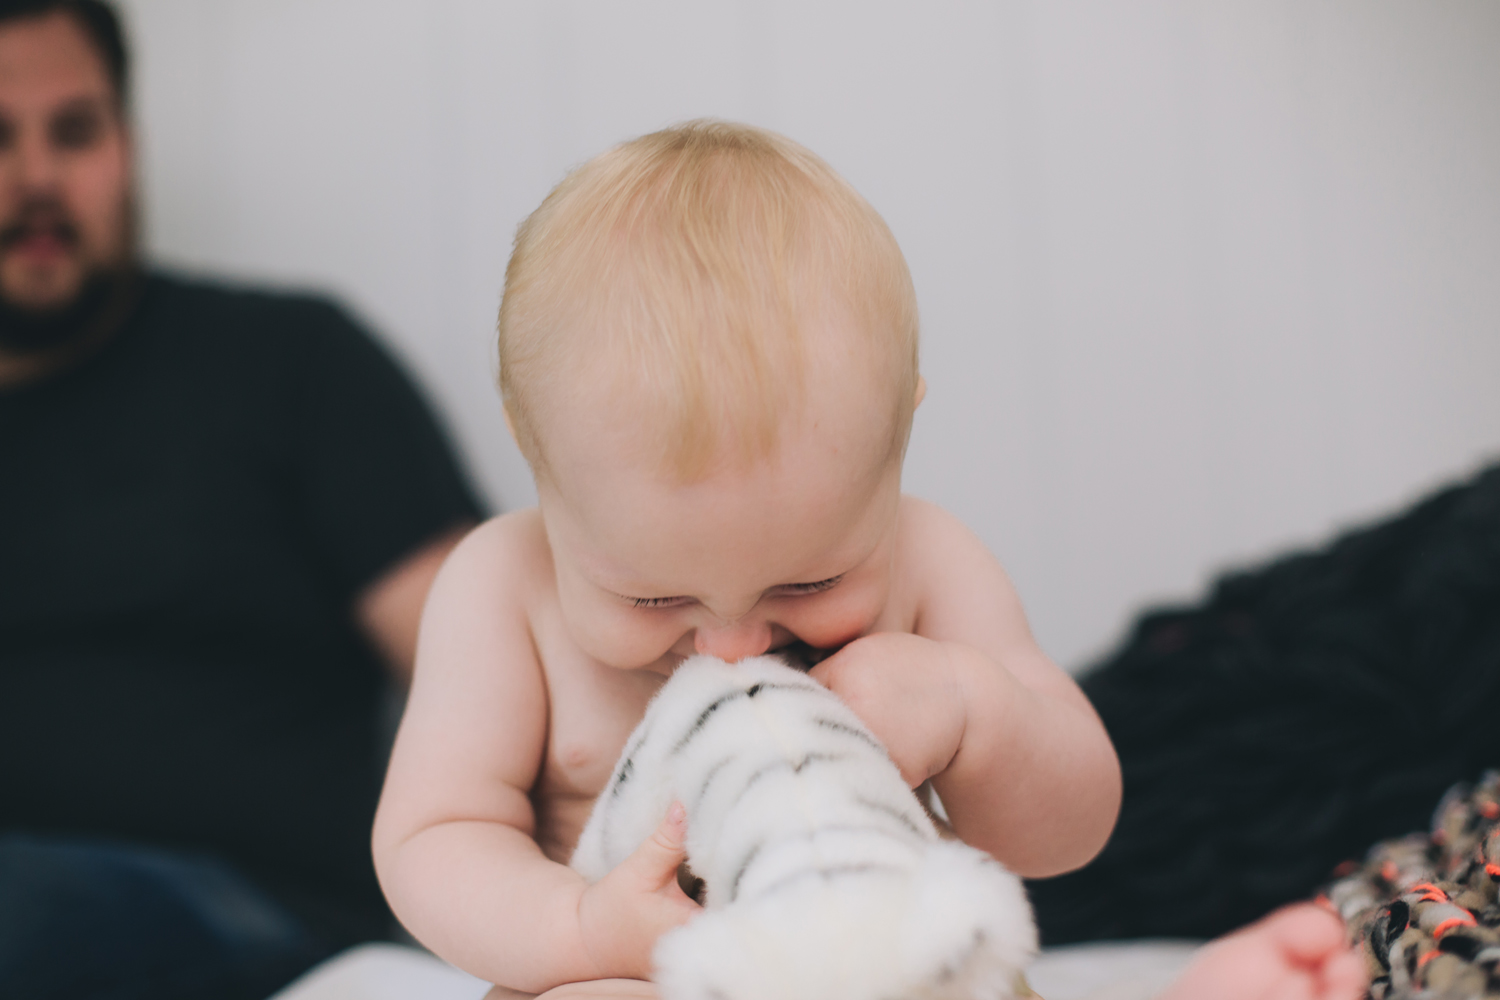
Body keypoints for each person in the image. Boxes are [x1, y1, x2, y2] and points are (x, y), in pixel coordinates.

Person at [370, 120, 1122, 998]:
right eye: (651, 597)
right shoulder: (501, 584)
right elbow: (435, 835)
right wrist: (577, 928)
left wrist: (971, 710)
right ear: (539, 461)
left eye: (809, 582)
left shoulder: (930, 558)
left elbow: (1073, 830)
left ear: (898, 438)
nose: (732, 644)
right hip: (628, 969)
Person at [0, 2, 484, 997]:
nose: (37, 178)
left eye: (75, 131)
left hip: (274, 931)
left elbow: (495, 670)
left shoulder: (290, 366)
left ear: (128, 147)